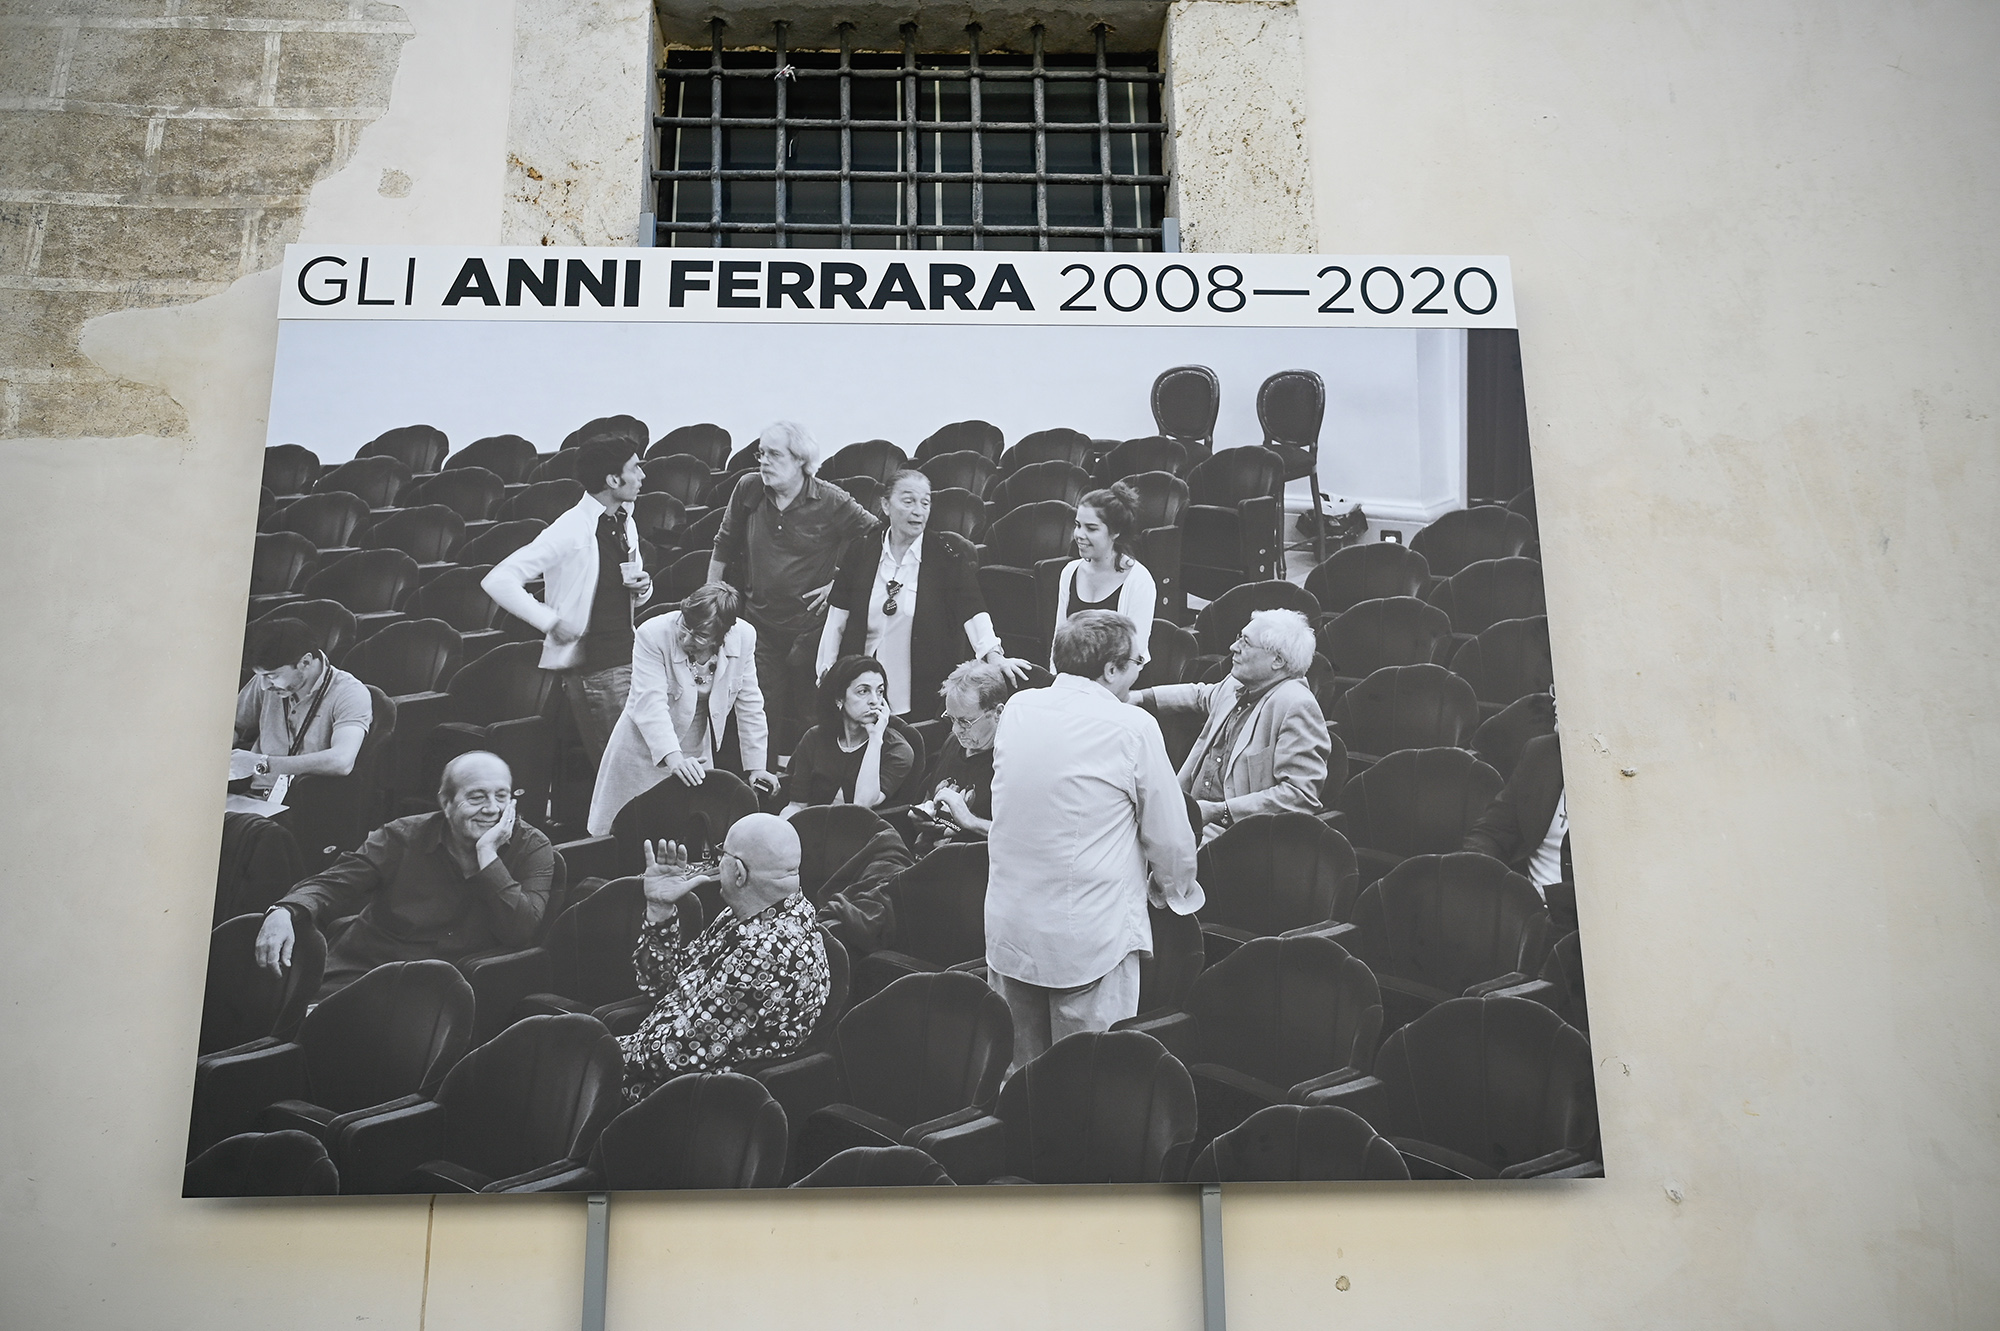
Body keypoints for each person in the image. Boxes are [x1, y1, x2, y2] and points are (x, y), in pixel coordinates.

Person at [985, 610, 1202, 1072]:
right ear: (1110, 669)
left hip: (1011, 929)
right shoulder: (1132, 727)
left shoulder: (1019, 709)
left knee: (1018, 1082)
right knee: (1087, 1085)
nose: (1143, 667)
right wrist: (1175, 895)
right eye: (1138, 660)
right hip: (1087, 937)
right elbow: (1170, 838)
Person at [253, 751, 556, 997]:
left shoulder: (532, 847)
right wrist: (285, 910)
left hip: (444, 988)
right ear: (446, 803)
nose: (493, 809)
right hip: (366, 966)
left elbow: (521, 931)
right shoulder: (402, 836)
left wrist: (487, 856)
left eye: (502, 796)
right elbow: (334, 883)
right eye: (477, 797)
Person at [618, 812, 831, 1102]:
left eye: (722, 854)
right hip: (656, 1069)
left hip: (678, 1103)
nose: (717, 863)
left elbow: (677, 1054)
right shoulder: (751, 914)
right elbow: (664, 986)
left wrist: (602, 1050)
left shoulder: (765, 954)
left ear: (739, 873)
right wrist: (660, 909)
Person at [709, 421, 878, 758]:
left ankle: (810, 786)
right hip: (759, 625)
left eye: (774, 454)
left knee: (811, 711)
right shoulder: (749, 489)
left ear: (801, 460)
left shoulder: (830, 500)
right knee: (760, 709)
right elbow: (723, 545)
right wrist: (711, 597)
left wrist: (836, 586)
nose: (763, 462)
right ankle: (763, 779)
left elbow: (876, 538)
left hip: (810, 629)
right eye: (761, 453)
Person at [481, 430, 652, 760]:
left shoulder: (625, 520)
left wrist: (643, 588)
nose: (642, 475)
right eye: (635, 468)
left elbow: (627, 592)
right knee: (622, 766)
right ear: (613, 479)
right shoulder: (570, 528)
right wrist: (550, 621)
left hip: (630, 655)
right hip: (597, 668)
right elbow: (500, 579)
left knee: (640, 762)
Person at [815, 469, 1025, 721]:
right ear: (885, 504)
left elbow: (972, 608)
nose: (918, 510)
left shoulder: (946, 554)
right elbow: (838, 615)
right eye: (908, 501)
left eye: (925, 503)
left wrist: (994, 655)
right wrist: (827, 670)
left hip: (921, 687)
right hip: (863, 688)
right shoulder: (861, 550)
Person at [587, 582, 777, 836]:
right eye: (685, 626)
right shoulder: (651, 634)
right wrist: (674, 758)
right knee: (631, 833)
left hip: (696, 748)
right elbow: (650, 704)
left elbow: (750, 702)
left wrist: (756, 767)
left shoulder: (744, 637)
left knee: (687, 832)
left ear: (722, 636)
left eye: (699, 636)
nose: (686, 639)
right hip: (642, 747)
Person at [1133, 607, 1330, 842]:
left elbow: (1300, 795)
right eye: (1239, 638)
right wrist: (1138, 697)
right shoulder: (1236, 684)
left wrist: (1220, 811)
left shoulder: (1296, 705)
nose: (1233, 648)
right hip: (1186, 814)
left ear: (1277, 660)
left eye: (1246, 642)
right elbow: (1199, 695)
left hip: (1234, 834)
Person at [229, 616, 372, 797]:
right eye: (260, 676)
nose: (264, 686)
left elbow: (342, 760)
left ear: (305, 662)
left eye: (272, 676)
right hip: (256, 796)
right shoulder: (265, 681)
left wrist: (262, 763)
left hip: (308, 802)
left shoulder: (350, 692)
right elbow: (232, 724)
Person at [1464, 720, 1576, 936]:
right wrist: (1474, 865)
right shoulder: (1540, 752)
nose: (1554, 701)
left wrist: (1543, 897)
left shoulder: (1634, 776)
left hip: (1585, 928)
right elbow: (1493, 829)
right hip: (1521, 915)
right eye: (1554, 690)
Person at [898, 658, 1009, 851]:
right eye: (951, 718)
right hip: (925, 857)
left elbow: (1020, 839)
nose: (957, 730)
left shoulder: (1012, 762)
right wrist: (923, 816)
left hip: (968, 867)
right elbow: (929, 796)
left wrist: (969, 821)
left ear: (998, 713)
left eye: (965, 722)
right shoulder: (953, 742)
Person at [781, 655, 915, 815]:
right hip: (813, 829)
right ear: (839, 699)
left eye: (880, 691)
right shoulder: (814, 738)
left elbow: (862, 804)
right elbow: (797, 805)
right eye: (863, 691)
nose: (875, 700)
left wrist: (875, 738)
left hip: (865, 834)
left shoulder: (897, 750)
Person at [1051, 482, 1156, 664]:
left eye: (1091, 528)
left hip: (1119, 684)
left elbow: (1133, 655)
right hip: (1076, 682)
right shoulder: (1069, 572)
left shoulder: (1139, 580)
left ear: (1115, 532)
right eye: (1077, 525)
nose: (1079, 535)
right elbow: (1059, 643)